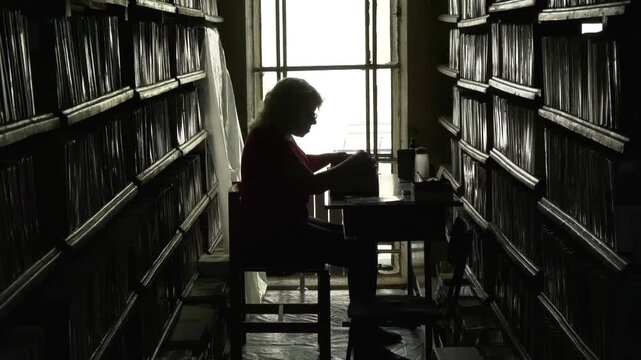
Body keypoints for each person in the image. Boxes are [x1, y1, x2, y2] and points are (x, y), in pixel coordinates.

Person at [240, 77, 405, 359]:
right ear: (291, 110)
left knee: (359, 239)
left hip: (281, 224)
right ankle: (364, 337)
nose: (314, 120)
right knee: (359, 248)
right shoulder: (271, 141)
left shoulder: (275, 135)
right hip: (276, 235)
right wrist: (351, 163)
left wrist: (332, 157)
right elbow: (310, 184)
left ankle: (365, 327)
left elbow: (301, 164)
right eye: (310, 113)